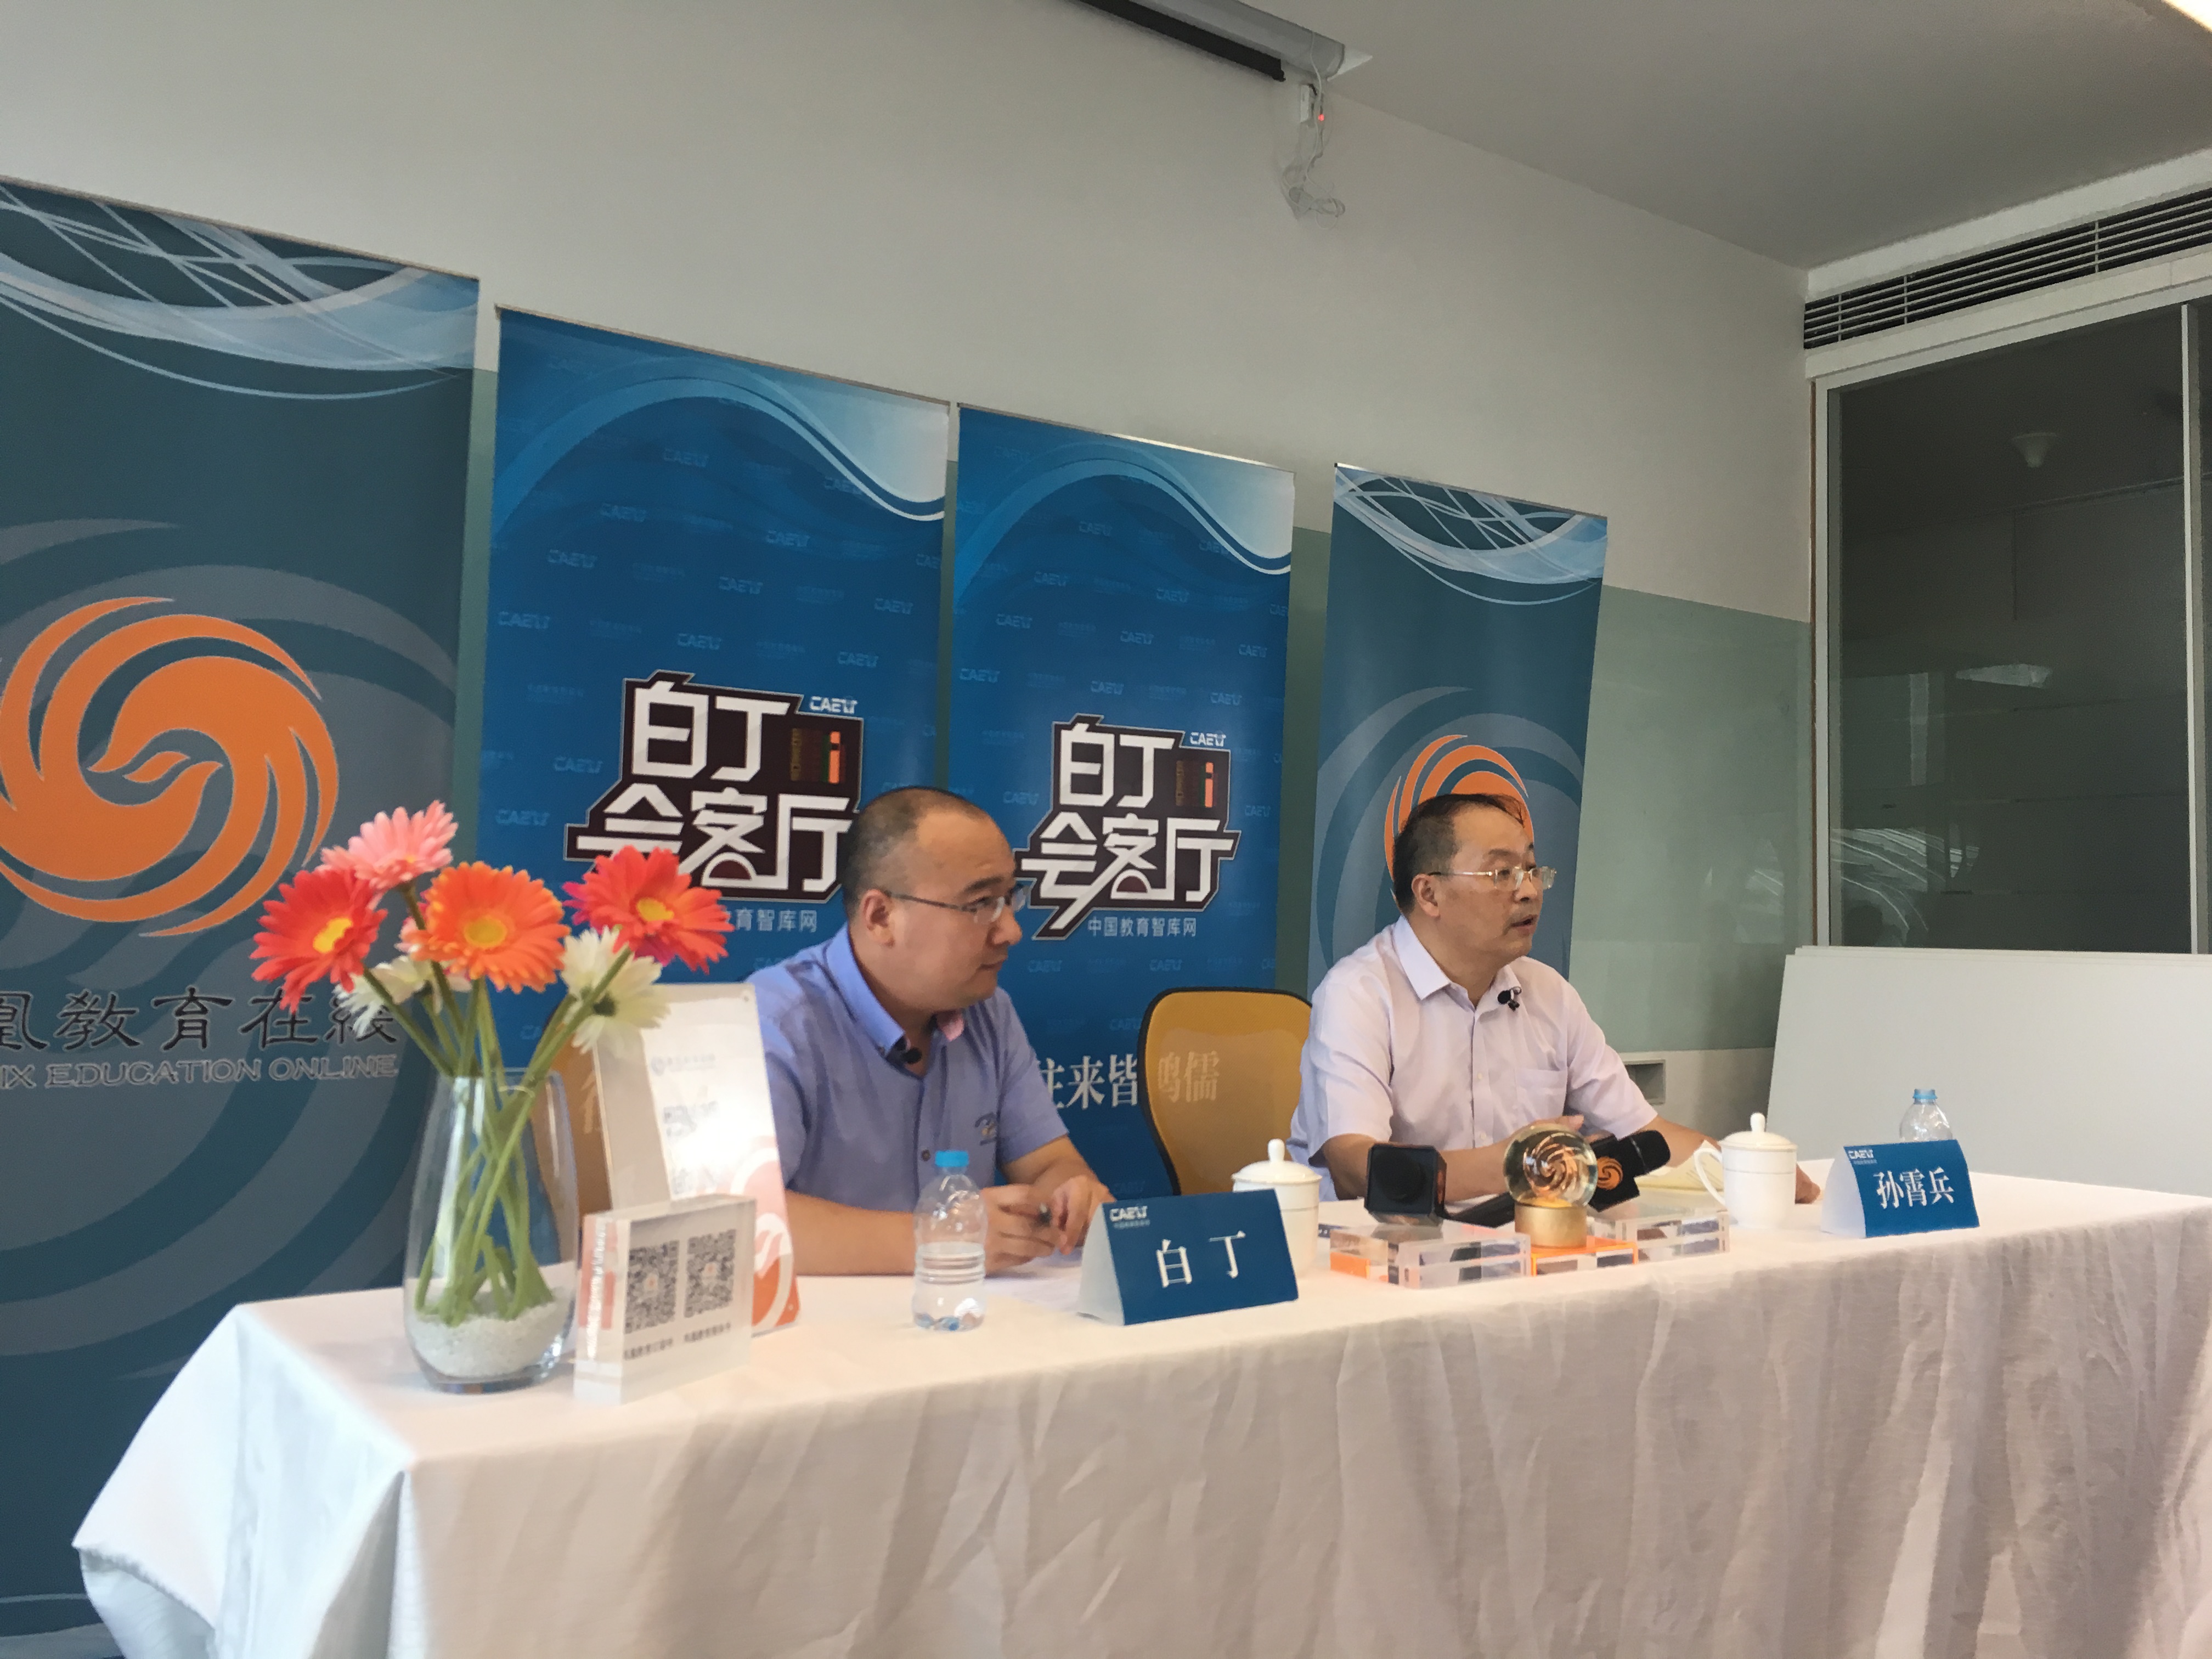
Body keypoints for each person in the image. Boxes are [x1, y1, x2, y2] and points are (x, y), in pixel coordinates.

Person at [1286, 790, 1820, 1205]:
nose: (1529, 890)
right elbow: (1356, 1167)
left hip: (1519, 1247)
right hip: (1376, 1255)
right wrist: (1517, 1165)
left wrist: (1750, 1171)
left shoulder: (1547, 993)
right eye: (1502, 873)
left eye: (1532, 869)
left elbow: (1646, 1132)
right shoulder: (1360, 994)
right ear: (1429, 893)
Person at [749, 786, 1113, 1274]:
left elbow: (1051, 1163)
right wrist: (941, 1236)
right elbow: (742, 1217)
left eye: (1010, 898)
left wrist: (1070, 1196)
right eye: (981, 904)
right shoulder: (775, 1022)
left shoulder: (989, 1013)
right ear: (881, 917)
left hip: (966, 1312)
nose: (1011, 930)